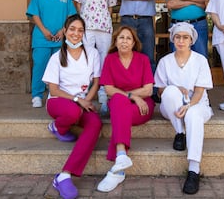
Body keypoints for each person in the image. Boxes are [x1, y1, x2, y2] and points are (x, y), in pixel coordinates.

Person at [42, 15, 102, 199]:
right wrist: (78, 101)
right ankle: (58, 127)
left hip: (81, 104)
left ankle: (64, 175)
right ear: (65, 31)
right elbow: (53, 89)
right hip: (58, 102)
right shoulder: (56, 57)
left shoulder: (92, 54)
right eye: (72, 29)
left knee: (95, 124)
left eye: (80, 30)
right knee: (73, 110)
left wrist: (87, 101)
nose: (76, 33)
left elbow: (96, 82)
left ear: (84, 33)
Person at [154, 22, 214, 195]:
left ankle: (193, 170)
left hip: (197, 104)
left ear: (191, 40)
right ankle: (180, 132)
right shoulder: (165, 61)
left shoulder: (200, 60)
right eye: (178, 37)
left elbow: (199, 92)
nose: (181, 40)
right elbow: (160, 92)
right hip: (171, 108)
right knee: (170, 90)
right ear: (173, 39)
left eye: (185, 37)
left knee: (194, 114)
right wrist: (175, 89)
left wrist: (188, 106)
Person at [97, 25, 155, 193]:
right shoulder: (110, 59)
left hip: (142, 107)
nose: (124, 41)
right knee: (117, 102)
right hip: (123, 104)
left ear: (134, 42)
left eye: (128, 38)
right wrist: (133, 96)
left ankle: (119, 163)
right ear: (115, 41)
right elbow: (108, 89)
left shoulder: (143, 59)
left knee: (118, 108)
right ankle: (120, 159)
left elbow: (148, 90)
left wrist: (132, 96)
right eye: (121, 37)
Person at [72, 0, 117, 114]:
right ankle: (84, 93)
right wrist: (84, 17)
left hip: (104, 28)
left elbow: (110, 6)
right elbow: (76, 1)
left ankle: (103, 94)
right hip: (87, 27)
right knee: (85, 59)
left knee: (104, 59)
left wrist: (104, 18)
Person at [26, 0, 77, 108]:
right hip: (42, 38)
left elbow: (71, 16)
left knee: (60, 69)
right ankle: (37, 95)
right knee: (40, 66)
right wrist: (44, 31)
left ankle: (54, 95)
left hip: (60, 39)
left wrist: (62, 31)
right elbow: (34, 14)